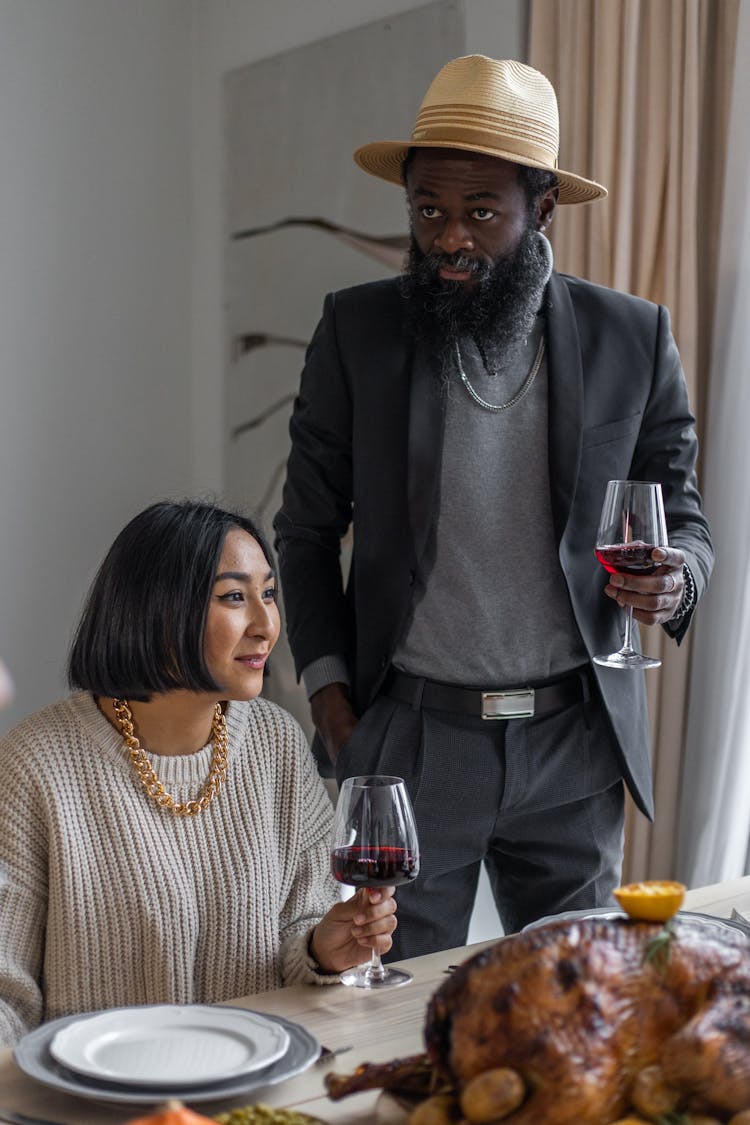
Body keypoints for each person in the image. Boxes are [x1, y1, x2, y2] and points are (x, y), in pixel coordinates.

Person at [273, 55, 714, 958]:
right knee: (391, 1014)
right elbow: (306, 531)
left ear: (541, 206)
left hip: (573, 744)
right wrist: (329, 696)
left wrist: (678, 582)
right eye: (429, 210)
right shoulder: (358, 332)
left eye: (481, 213)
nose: (450, 239)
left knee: (573, 1003)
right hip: (412, 743)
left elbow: (686, 519)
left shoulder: (634, 336)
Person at [0, 499, 396, 1046]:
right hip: (106, 1102)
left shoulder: (275, 741)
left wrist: (322, 950)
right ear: (158, 611)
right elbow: (5, 995)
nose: (266, 625)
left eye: (269, 594)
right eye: (234, 596)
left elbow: (304, 928)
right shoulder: (36, 764)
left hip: (255, 1088)